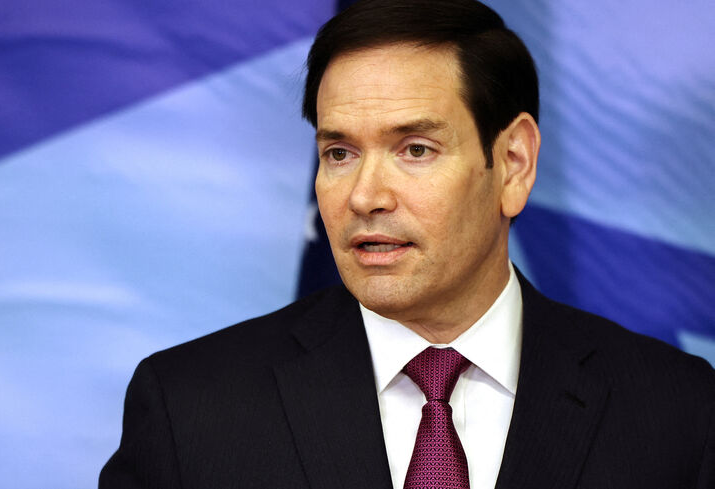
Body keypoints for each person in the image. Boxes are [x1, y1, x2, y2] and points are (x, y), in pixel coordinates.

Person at [100, 0, 715, 487]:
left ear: (512, 165)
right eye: (339, 153)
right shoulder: (191, 407)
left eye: (414, 149)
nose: (365, 196)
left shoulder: (675, 410)